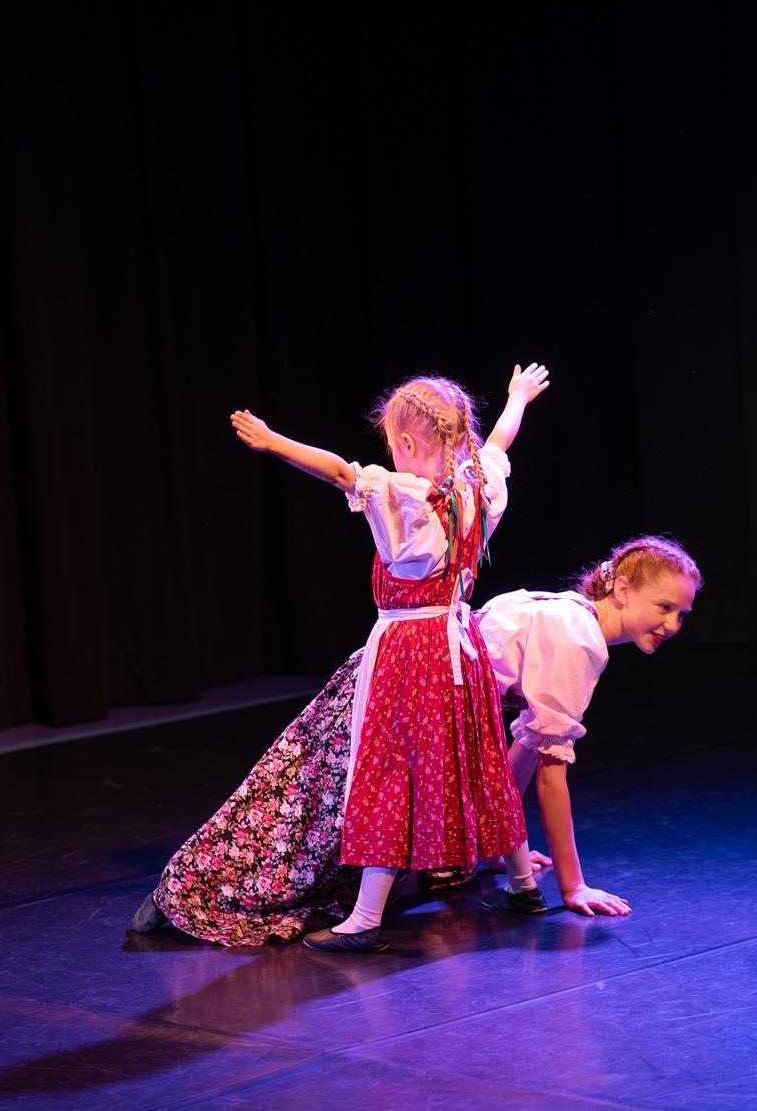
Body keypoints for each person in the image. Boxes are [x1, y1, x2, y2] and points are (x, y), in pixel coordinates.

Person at [133, 364, 550, 952]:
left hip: (411, 651)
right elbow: (501, 442)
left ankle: (365, 919)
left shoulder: (407, 495)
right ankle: (523, 884)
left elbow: (339, 472)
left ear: (406, 443)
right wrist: (517, 398)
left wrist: (274, 442)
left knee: (389, 771)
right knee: (481, 759)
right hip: (463, 648)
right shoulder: (477, 484)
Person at [475, 534, 702, 918]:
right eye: (664, 607)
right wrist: (573, 886)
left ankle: (493, 845)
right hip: (419, 706)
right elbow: (551, 777)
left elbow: (531, 740)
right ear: (623, 590)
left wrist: (500, 840)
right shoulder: (576, 637)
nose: (672, 625)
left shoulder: (573, 615)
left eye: (681, 614)